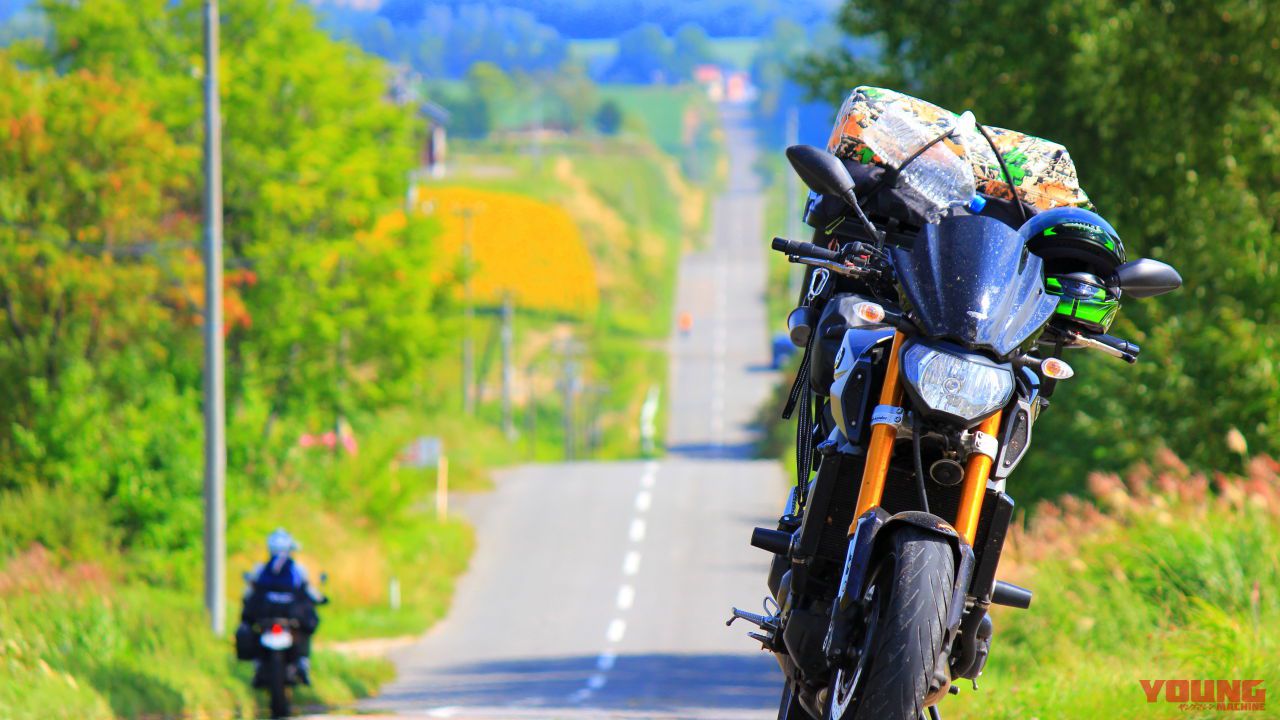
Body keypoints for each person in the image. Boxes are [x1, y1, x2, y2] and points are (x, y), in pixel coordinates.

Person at [240, 528, 324, 684]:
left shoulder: (260, 568)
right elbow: (310, 591)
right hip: (289, 615)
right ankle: (303, 663)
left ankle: (257, 664)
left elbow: (249, 593)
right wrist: (321, 598)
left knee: (251, 626)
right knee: (305, 627)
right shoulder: (297, 569)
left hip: (267, 615)